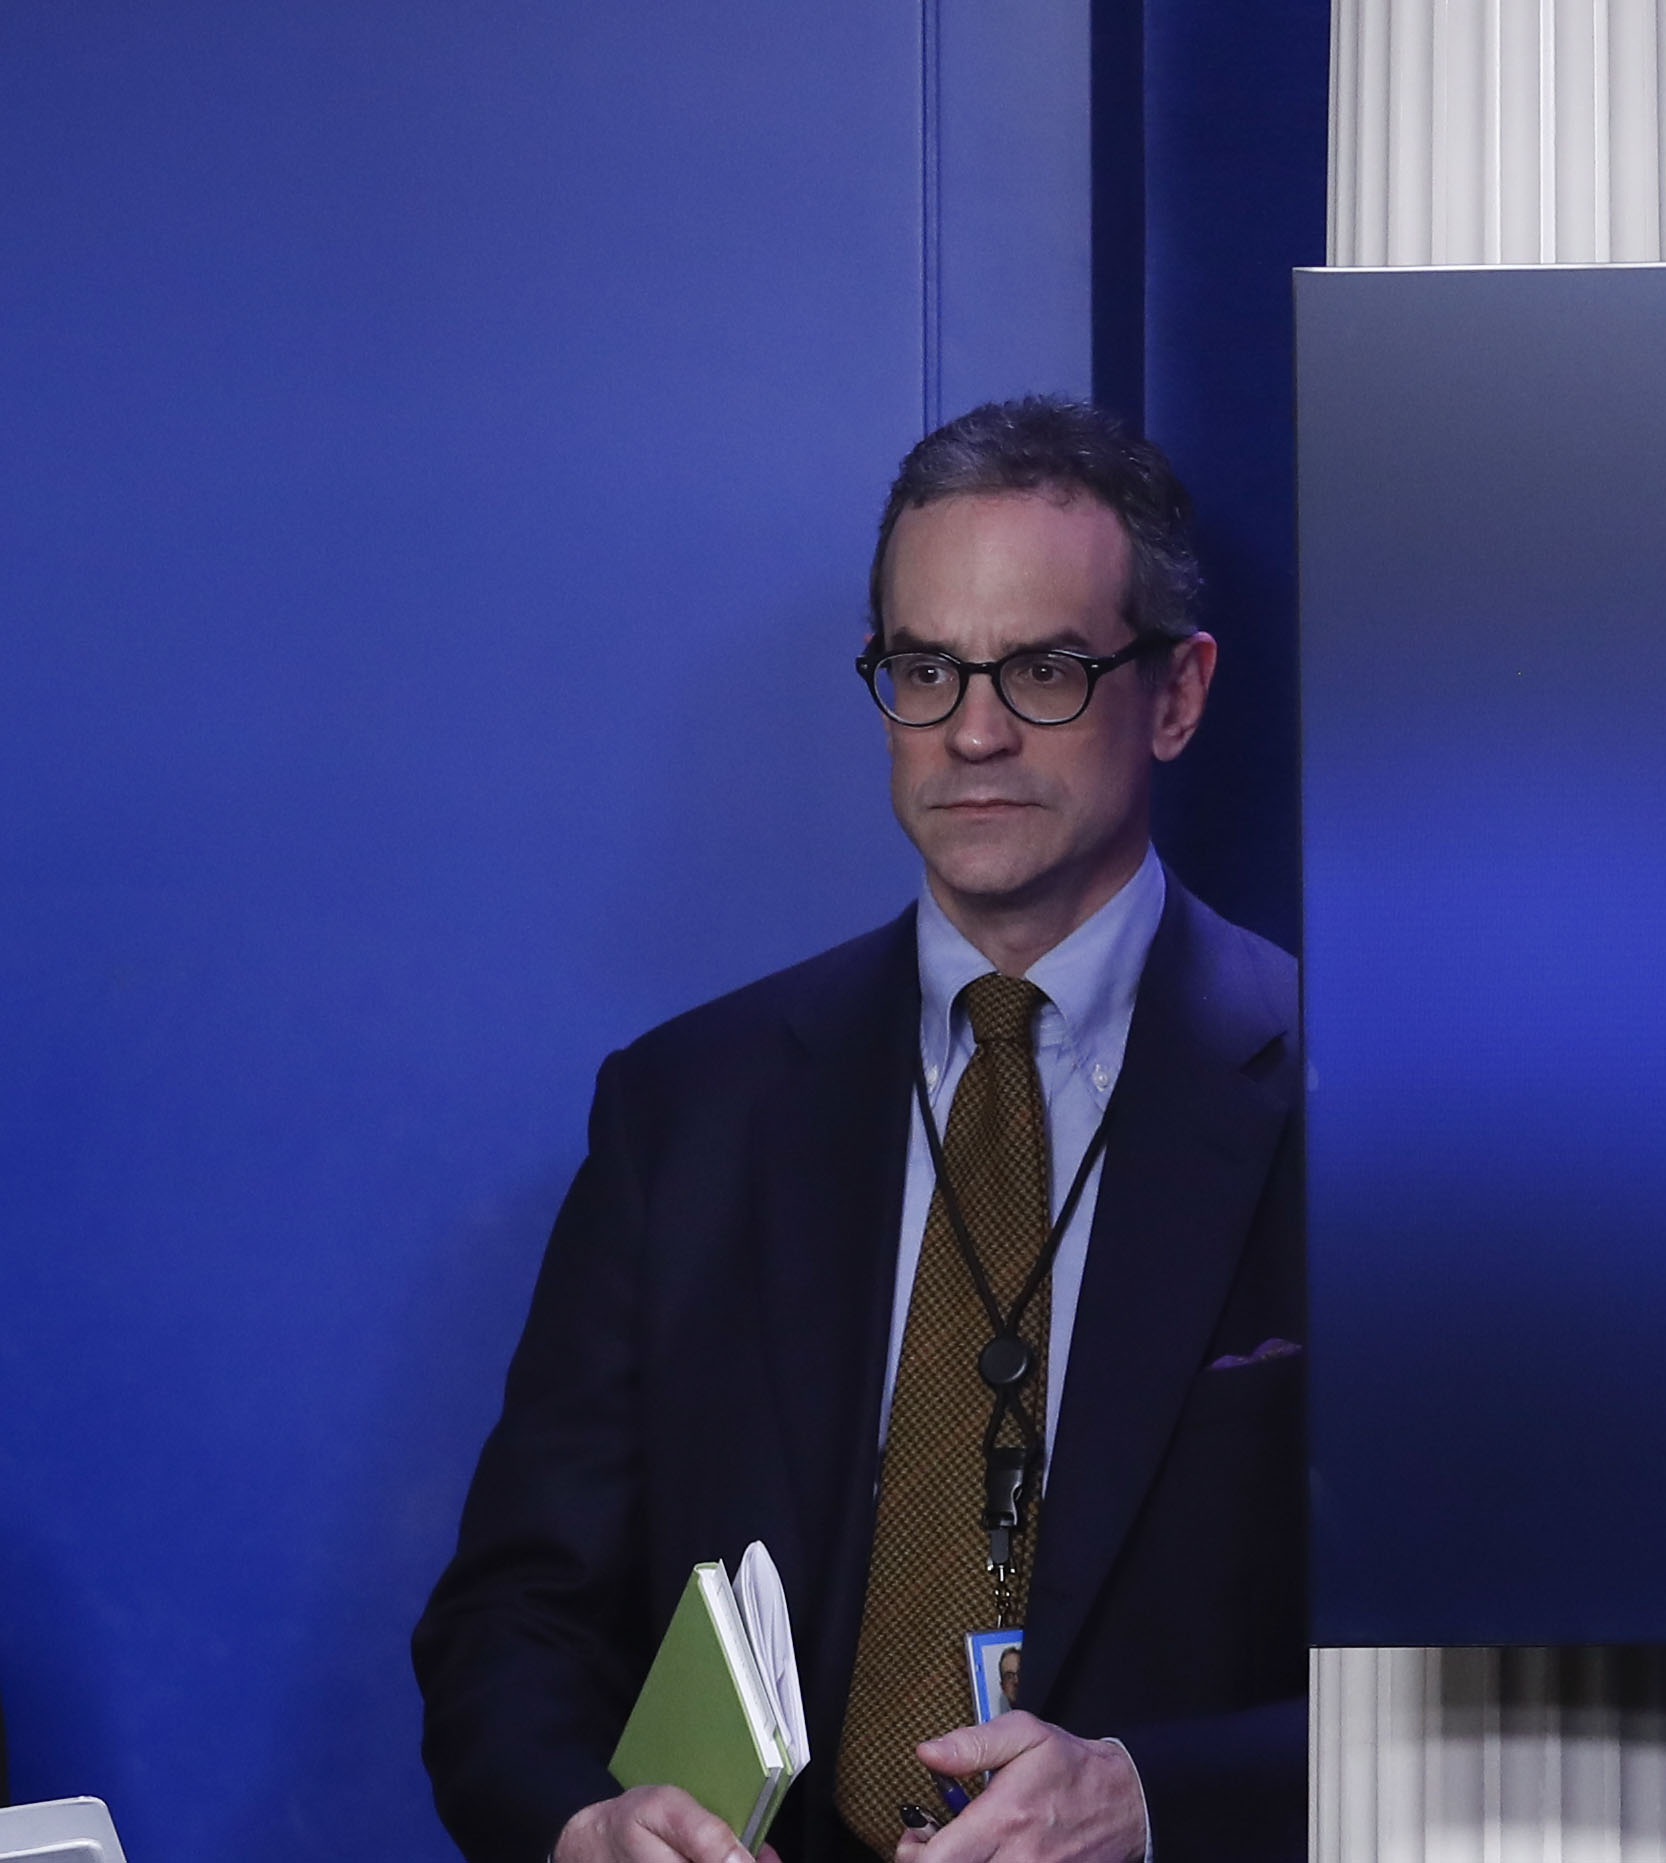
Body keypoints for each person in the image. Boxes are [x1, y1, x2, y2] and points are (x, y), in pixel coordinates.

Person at [413, 399, 1305, 1863]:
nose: (972, 728)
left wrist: (1153, 1799)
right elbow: (513, 1615)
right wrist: (581, 1820)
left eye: (1045, 669)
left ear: (1177, 694)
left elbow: (1479, 1667)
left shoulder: (1360, 1114)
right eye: (924, 668)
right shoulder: (686, 1109)